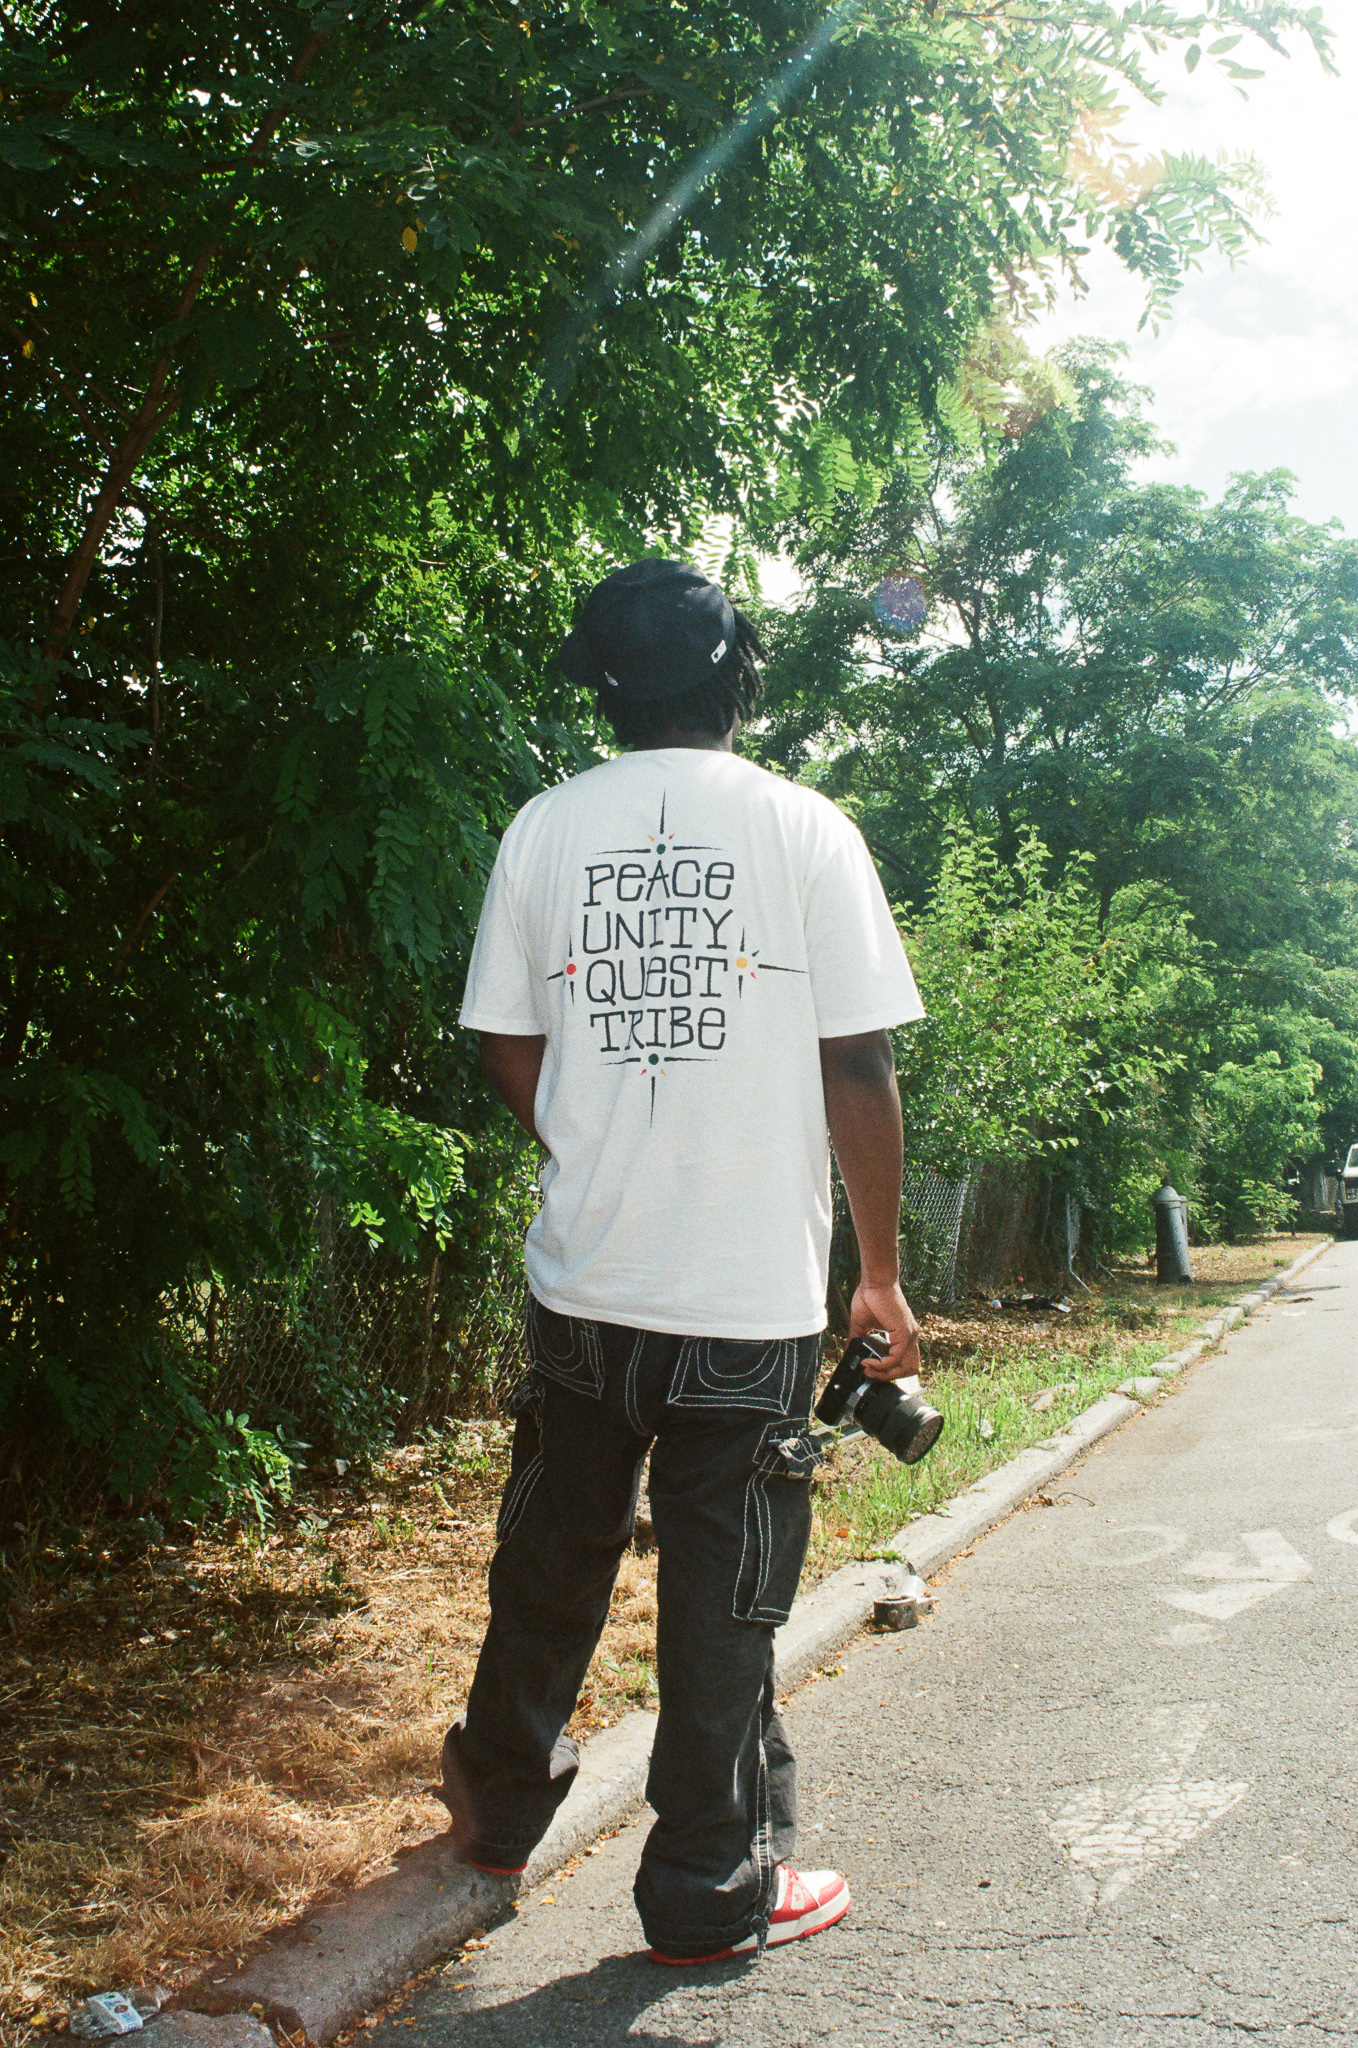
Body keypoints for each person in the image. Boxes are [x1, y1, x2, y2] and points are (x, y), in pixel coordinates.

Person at [442, 559, 925, 1963]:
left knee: (550, 1556)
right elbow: (856, 1061)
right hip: (746, 1300)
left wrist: (588, 1139)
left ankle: (496, 1815)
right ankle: (710, 1894)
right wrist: (879, 1278)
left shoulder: (544, 827)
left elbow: (503, 1039)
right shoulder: (804, 827)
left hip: (583, 1282)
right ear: (739, 676)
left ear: (603, 692)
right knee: (726, 1597)